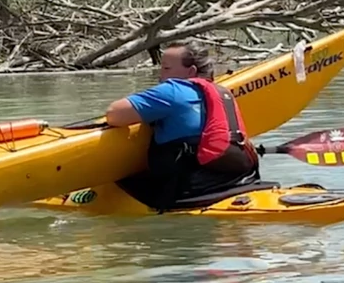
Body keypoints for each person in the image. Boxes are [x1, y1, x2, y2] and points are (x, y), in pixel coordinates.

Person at [104, 41, 260, 211]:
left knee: (116, 184)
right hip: (240, 179)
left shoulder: (173, 90)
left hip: (191, 190)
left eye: (166, 68)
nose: (160, 75)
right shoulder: (223, 93)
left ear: (191, 71)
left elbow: (114, 114)